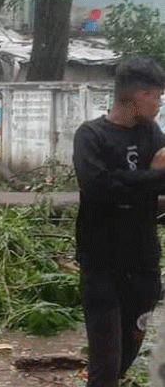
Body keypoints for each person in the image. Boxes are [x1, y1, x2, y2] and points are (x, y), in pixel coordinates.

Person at [72, 56, 165, 387]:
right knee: (106, 362)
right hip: (101, 265)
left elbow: (130, 185)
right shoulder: (90, 136)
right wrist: (153, 178)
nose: (158, 104)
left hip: (143, 266)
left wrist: (143, 183)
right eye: (157, 96)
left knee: (129, 350)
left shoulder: (151, 133)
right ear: (140, 95)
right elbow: (98, 187)